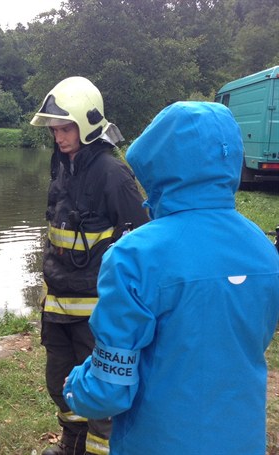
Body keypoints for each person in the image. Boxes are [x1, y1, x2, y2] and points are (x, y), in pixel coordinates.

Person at [63, 101, 279, 454]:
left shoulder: (135, 255)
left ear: (157, 165)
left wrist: (75, 387)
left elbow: (108, 390)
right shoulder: (264, 249)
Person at [30, 76, 149, 455]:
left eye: (66, 128)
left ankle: (100, 450)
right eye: (54, 129)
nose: (59, 136)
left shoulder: (113, 174)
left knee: (100, 390)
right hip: (59, 303)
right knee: (59, 383)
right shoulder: (63, 166)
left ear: (87, 125)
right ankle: (72, 444)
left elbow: (138, 241)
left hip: (96, 309)